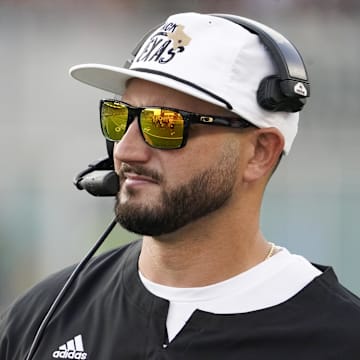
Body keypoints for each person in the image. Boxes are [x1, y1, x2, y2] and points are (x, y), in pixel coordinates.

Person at [1, 12, 360, 360]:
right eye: (120, 117)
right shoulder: (42, 317)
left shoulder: (340, 339)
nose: (126, 150)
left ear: (260, 152)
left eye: (166, 124)